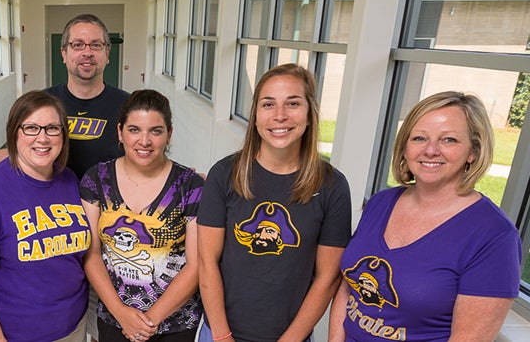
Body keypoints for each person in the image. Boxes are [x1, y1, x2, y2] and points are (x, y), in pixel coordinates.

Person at [328, 91, 522, 341]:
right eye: (419, 138)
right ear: (405, 147)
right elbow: (348, 286)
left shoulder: (495, 237)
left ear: (473, 152)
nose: (431, 150)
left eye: (449, 140)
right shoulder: (381, 202)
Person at [197, 64, 352, 342]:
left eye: (293, 103)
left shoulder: (332, 185)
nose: (280, 116)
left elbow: (327, 278)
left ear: (309, 113)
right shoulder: (225, 174)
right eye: (268, 104)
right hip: (219, 333)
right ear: (256, 114)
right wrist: (221, 336)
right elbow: (207, 261)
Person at [0, 90, 91, 342]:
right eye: (31, 128)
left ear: (63, 135)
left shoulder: (69, 180)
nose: (43, 138)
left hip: (71, 327)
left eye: (52, 128)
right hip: (11, 333)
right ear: (14, 133)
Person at [80, 89, 203, 342]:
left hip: (176, 324)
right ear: (120, 132)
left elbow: (196, 264)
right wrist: (121, 313)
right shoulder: (96, 179)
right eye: (134, 129)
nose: (144, 141)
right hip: (114, 318)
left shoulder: (190, 186)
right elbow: (91, 255)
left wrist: (149, 321)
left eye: (155, 131)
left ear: (169, 134)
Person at [45, 13, 130, 179]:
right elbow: (21, 153)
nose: (87, 52)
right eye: (78, 45)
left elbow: (146, 154)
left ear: (107, 54)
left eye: (96, 45)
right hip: (55, 202)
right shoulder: (43, 104)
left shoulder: (129, 106)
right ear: (64, 53)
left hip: (109, 203)